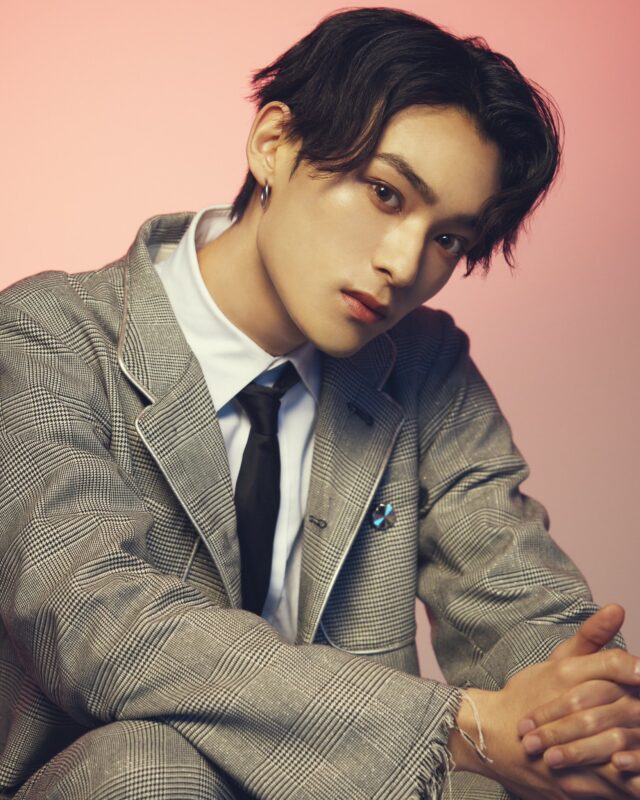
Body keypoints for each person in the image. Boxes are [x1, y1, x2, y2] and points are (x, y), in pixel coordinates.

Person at [0, 7, 638, 799]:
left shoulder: (424, 363)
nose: (403, 262)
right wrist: (461, 726)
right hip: (116, 778)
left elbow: (511, 588)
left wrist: (589, 717)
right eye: (385, 194)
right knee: (147, 768)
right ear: (274, 144)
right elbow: (100, 625)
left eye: (449, 239)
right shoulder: (46, 337)